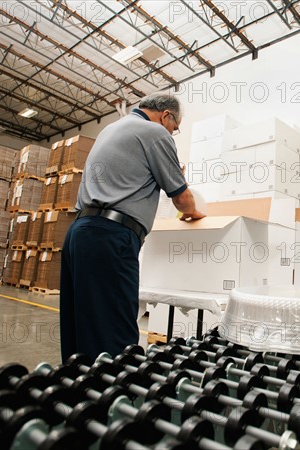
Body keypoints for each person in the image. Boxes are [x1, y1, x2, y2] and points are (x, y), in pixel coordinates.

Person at [60, 92, 205, 362]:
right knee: (115, 327)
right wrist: (195, 212)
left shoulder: (110, 129)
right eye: (175, 128)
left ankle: (77, 389)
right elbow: (182, 198)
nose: (173, 134)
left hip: (79, 232)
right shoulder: (155, 133)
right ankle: (114, 396)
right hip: (111, 237)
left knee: (81, 325)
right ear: (166, 116)